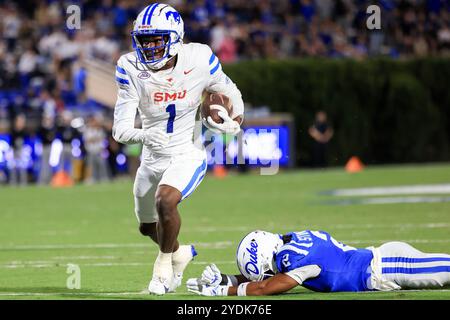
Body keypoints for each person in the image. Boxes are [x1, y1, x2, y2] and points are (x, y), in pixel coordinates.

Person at [112, 3, 244, 295]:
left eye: (156, 40)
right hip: (152, 157)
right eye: (143, 40)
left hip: (186, 152)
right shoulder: (130, 67)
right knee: (148, 227)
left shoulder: (198, 57)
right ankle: (180, 252)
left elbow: (228, 89)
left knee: (166, 201)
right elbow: (119, 130)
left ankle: (162, 268)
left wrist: (235, 119)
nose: (148, 47)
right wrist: (144, 135)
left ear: (175, 36)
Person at [186, 229, 450, 296]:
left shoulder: (294, 259)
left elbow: (267, 288)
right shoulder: (290, 242)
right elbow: (268, 278)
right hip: (385, 258)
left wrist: (223, 291)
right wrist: (228, 279)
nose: (267, 274)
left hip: (388, 268)